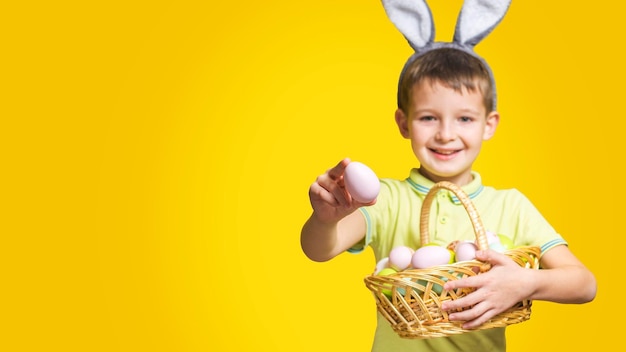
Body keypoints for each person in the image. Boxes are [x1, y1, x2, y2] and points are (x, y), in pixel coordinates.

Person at [300, 47, 597, 351]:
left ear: (489, 124)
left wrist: (527, 283)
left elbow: (584, 284)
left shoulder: (511, 206)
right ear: (404, 123)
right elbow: (319, 249)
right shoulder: (387, 198)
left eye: (465, 118)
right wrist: (326, 219)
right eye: (429, 117)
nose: (445, 134)